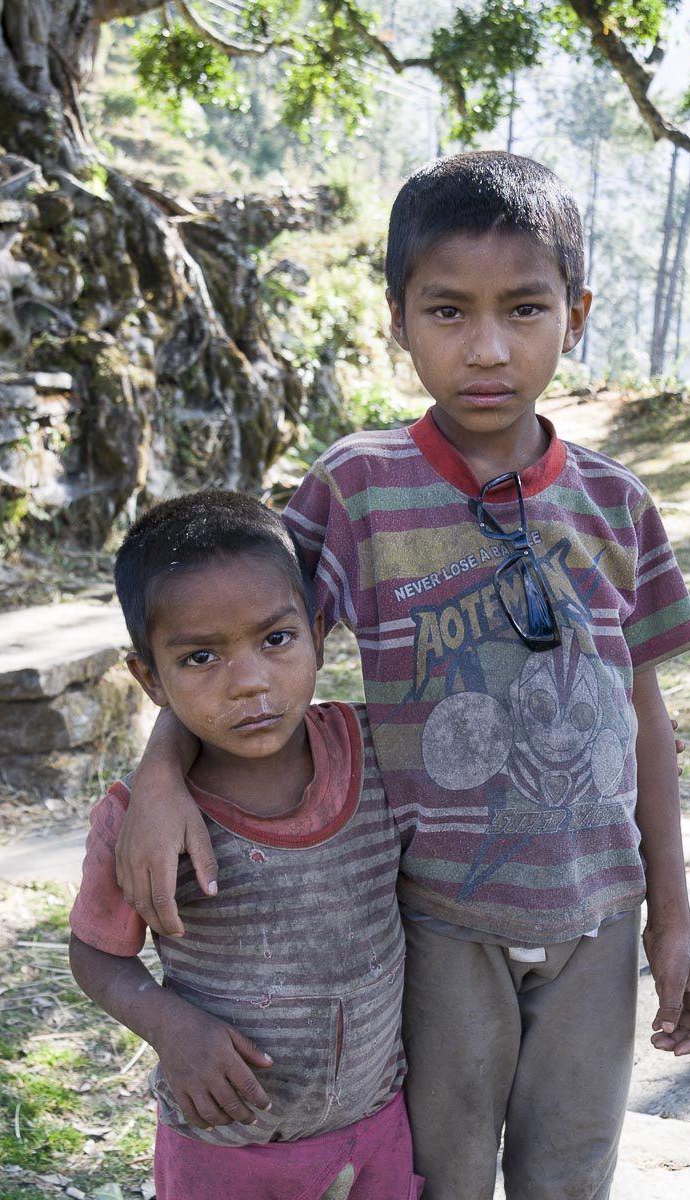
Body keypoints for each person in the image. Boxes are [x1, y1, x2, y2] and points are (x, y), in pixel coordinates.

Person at [114, 152, 690, 1200]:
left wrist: (670, 923)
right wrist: (160, 778)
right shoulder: (355, 490)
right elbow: (242, 643)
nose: (485, 349)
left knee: (568, 1175)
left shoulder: (617, 504)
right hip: (432, 922)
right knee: (438, 1175)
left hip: (596, 917)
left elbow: (644, 719)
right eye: (445, 312)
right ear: (395, 317)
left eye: (523, 310)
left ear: (574, 315)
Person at [68, 490, 424, 1200]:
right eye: (201, 657)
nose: (250, 682)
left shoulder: (377, 752)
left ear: (320, 634)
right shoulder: (141, 823)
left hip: (375, 1126)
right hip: (221, 1152)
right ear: (150, 679)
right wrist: (170, 1027)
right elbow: (94, 954)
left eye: (276, 640)